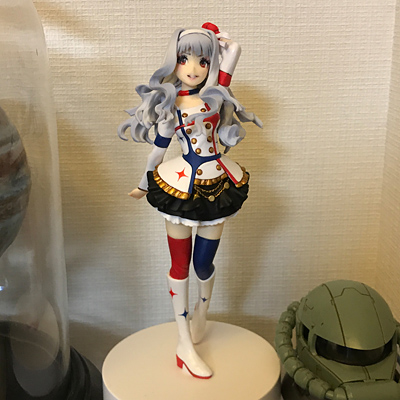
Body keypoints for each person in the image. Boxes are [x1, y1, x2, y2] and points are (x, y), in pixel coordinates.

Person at [118, 23, 262, 379]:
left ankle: (201, 313)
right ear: (174, 61)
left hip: (218, 184)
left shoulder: (216, 96)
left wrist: (223, 42)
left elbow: (234, 54)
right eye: (184, 59)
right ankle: (183, 342)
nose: (193, 68)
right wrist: (143, 185)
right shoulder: (171, 107)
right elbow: (157, 152)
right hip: (179, 187)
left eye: (202, 59)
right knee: (180, 265)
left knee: (203, 264)